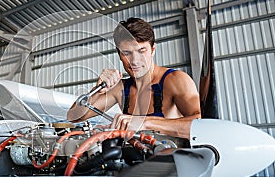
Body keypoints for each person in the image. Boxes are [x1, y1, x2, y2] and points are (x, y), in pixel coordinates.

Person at [67, 17, 201, 139]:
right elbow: (74, 117)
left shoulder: (175, 80)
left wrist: (145, 122)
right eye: (127, 53)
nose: (135, 61)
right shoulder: (120, 88)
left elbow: (202, 124)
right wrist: (97, 91)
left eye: (141, 51)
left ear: (153, 50)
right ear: (119, 55)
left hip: (170, 162)